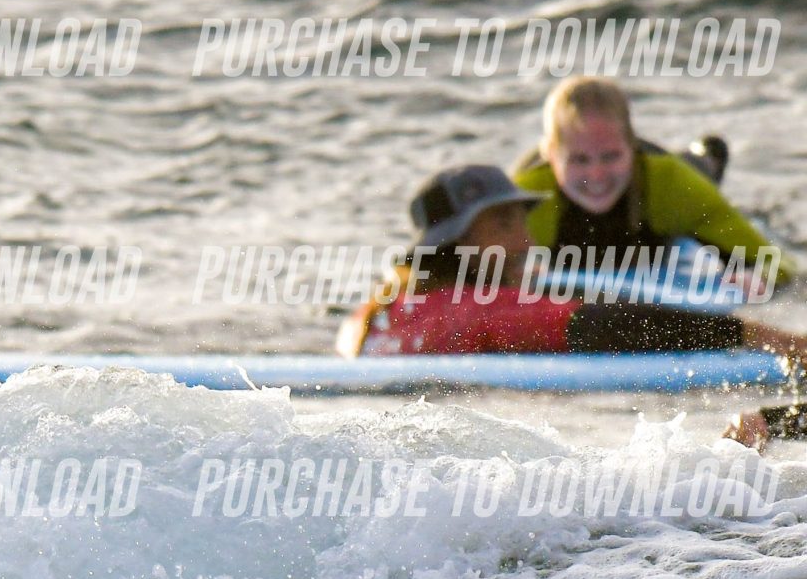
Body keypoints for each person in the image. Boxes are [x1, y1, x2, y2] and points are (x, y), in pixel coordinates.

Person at [341, 164, 807, 445]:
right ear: (456, 245)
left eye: (522, 221)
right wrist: (759, 335)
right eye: (504, 224)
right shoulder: (482, 308)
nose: (526, 240)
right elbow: (602, 325)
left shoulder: (393, 304)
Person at [509, 76, 793, 291]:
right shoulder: (524, 198)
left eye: (611, 156)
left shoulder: (670, 185)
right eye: (579, 160)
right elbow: (483, 272)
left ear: (632, 147)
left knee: (697, 172)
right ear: (550, 156)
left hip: (667, 172)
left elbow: (780, 264)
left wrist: (760, 279)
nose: (596, 175)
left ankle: (706, 157)